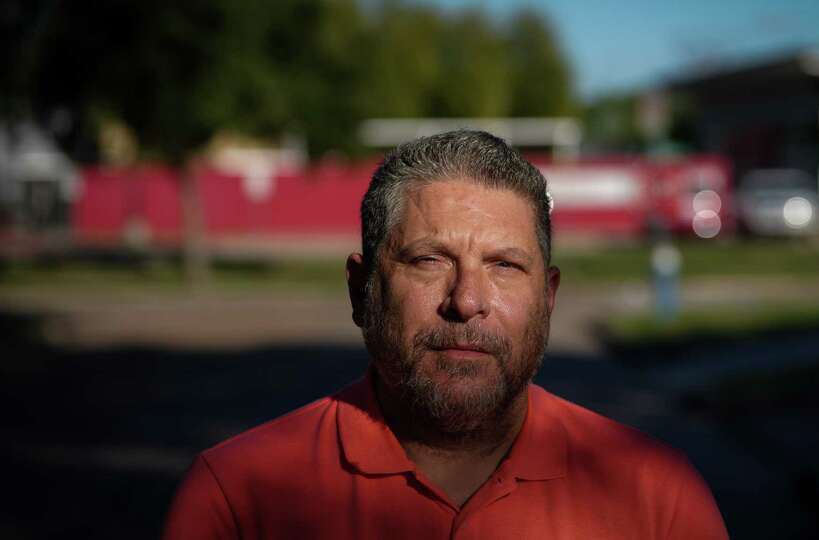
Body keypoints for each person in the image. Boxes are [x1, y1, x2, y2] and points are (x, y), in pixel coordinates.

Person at [162, 130, 729, 539]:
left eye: (505, 265)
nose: (466, 301)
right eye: (429, 259)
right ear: (362, 290)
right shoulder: (238, 496)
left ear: (548, 299)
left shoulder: (658, 498)